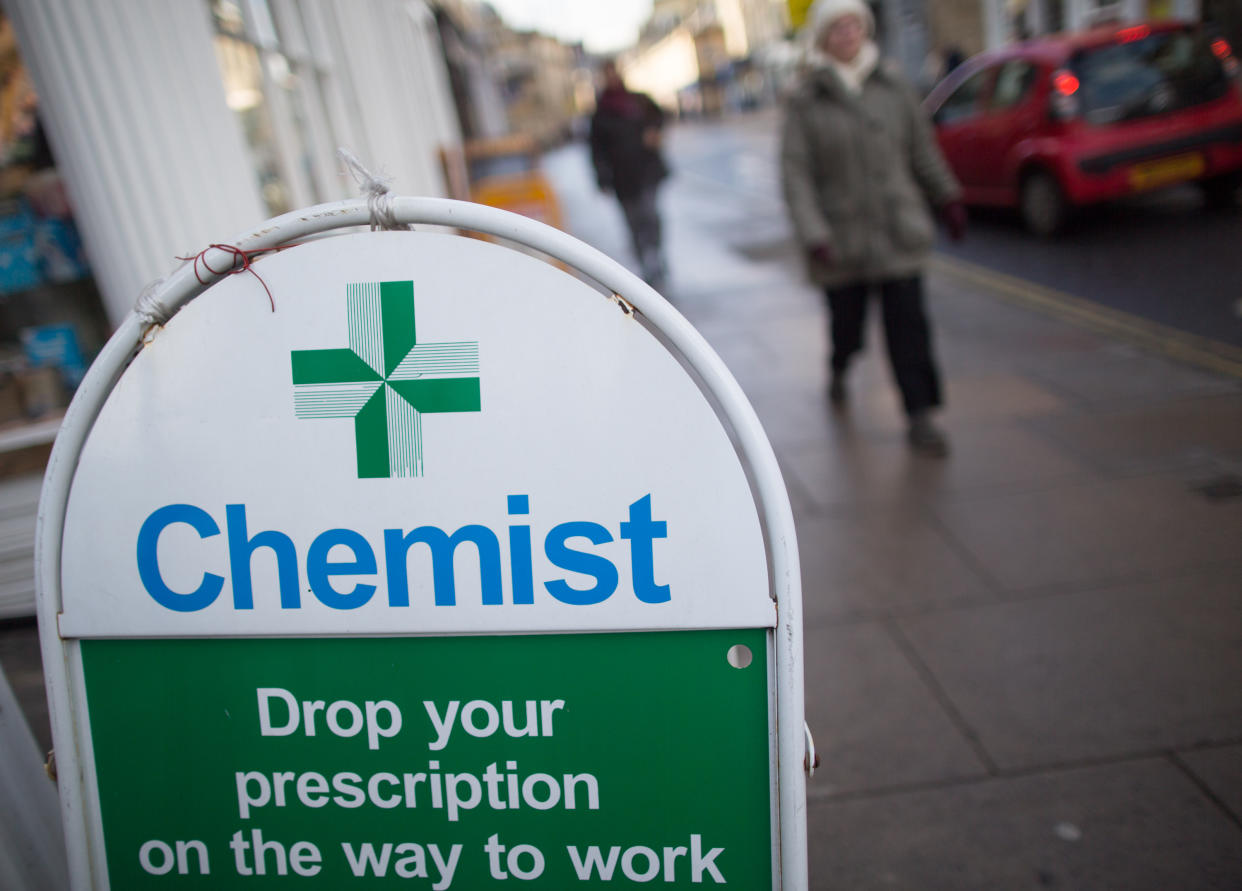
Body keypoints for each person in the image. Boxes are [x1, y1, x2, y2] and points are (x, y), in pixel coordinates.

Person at [780, 0, 967, 456]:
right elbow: (795, 175)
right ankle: (840, 367)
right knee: (848, 327)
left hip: (896, 231)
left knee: (910, 331)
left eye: (854, 24)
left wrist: (948, 196)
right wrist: (813, 233)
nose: (847, 33)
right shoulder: (806, 99)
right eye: (837, 27)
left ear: (864, 30)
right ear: (823, 37)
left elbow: (921, 150)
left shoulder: (893, 84)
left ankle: (921, 415)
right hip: (839, 240)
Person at [589, 60, 669, 289]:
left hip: (646, 171)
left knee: (651, 216)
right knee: (633, 223)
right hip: (621, 178)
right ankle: (646, 262)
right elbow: (596, 150)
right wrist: (602, 178)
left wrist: (654, 132)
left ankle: (656, 256)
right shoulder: (601, 113)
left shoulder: (638, 100)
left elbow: (660, 116)